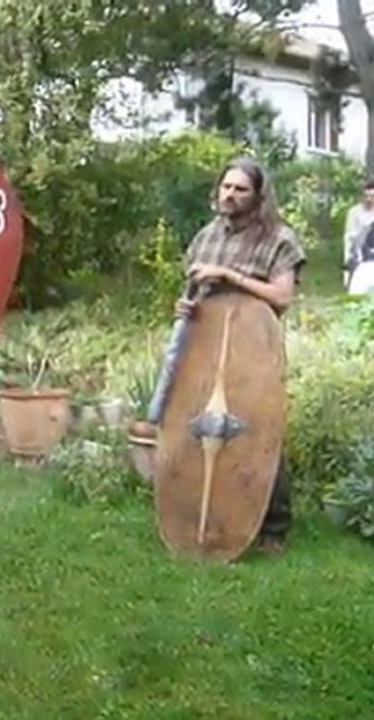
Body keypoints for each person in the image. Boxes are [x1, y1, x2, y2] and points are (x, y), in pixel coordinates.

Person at [175, 156, 306, 555]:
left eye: (240, 189)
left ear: (258, 196)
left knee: (259, 430)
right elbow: (192, 289)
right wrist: (185, 307)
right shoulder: (207, 236)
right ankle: (209, 512)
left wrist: (230, 276)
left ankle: (273, 527)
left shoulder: (279, 238)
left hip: (254, 345)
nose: (230, 195)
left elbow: (282, 296)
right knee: (202, 425)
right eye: (226, 186)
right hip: (206, 340)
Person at [342, 179, 374, 287]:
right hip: (359, 255)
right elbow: (349, 237)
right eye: (366, 196)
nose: (369, 199)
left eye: (372, 196)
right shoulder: (354, 213)